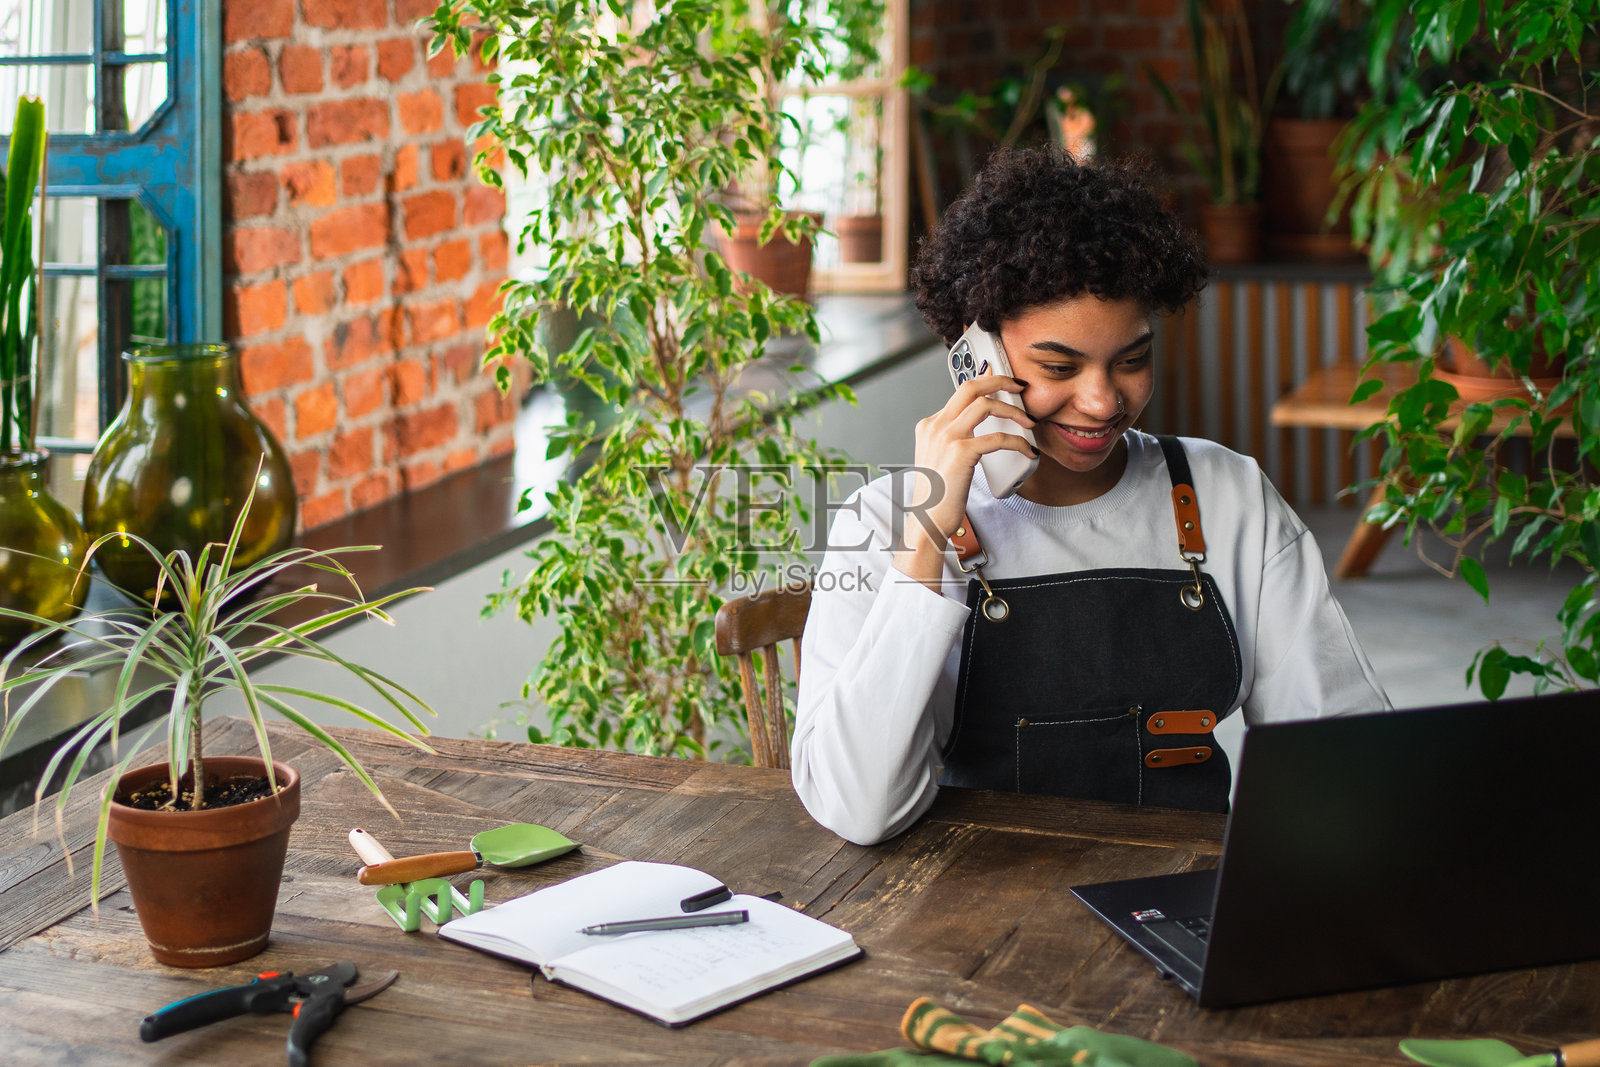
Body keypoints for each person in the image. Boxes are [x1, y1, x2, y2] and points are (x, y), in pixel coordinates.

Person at [789, 147, 1389, 846]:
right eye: (1058, 366)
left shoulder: (1227, 497)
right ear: (975, 356)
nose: (1103, 400)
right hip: (966, 927)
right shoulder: (884, 522)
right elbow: (860, 810)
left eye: (1132, 359)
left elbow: (1344, 753)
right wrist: (926, 544)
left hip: (1183, 906)